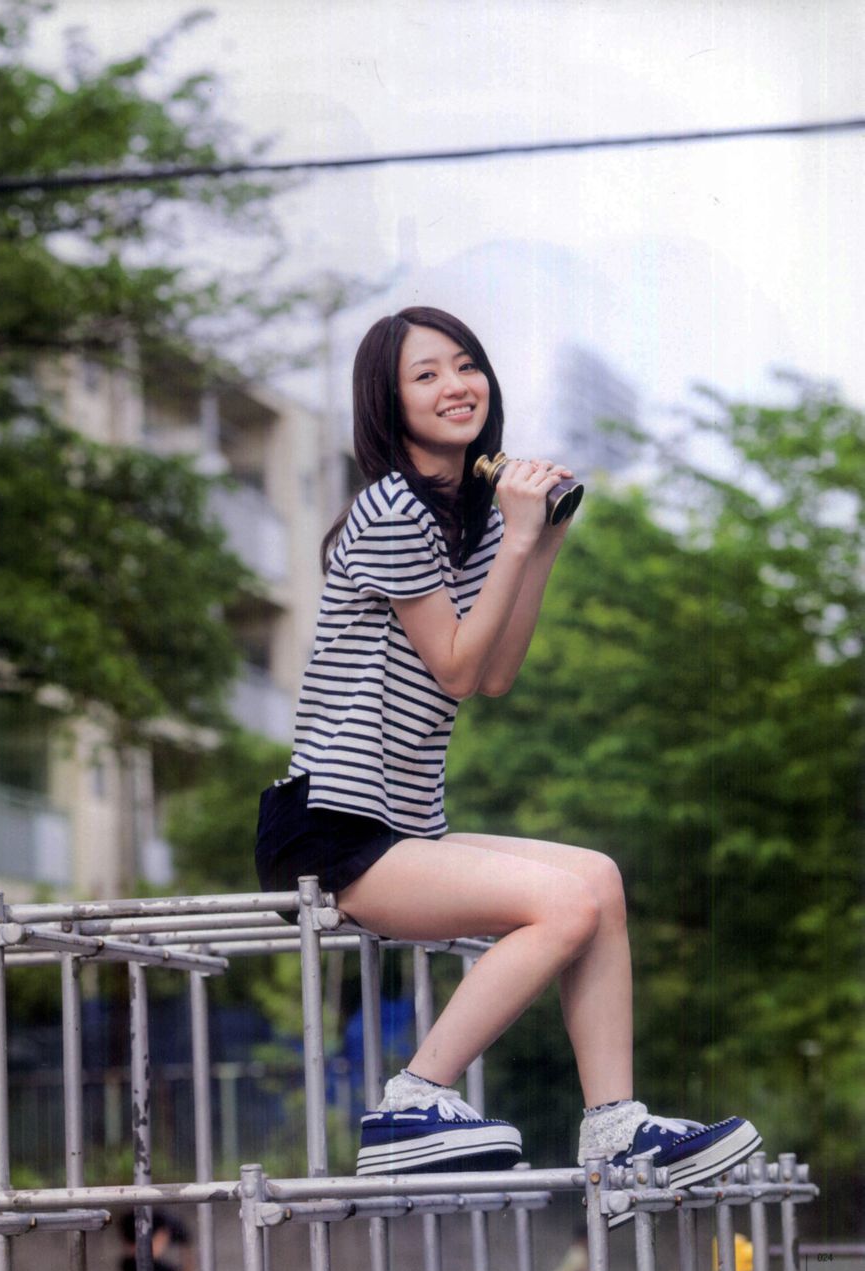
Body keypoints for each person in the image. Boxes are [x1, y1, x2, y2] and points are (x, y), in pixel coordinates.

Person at [254, 306, 759, 1220]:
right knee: (562, 905)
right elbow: (454, 664)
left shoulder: (474, 519)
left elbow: (492, 675)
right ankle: (413, 1100)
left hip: (405, 825)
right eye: (426, 375)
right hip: (332, 825)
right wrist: (520, 539)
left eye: (466, 365)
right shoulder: (392, 507)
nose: (457, 386)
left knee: (597, 878)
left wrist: (542, 540)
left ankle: (615, 1127)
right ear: (389, 404)